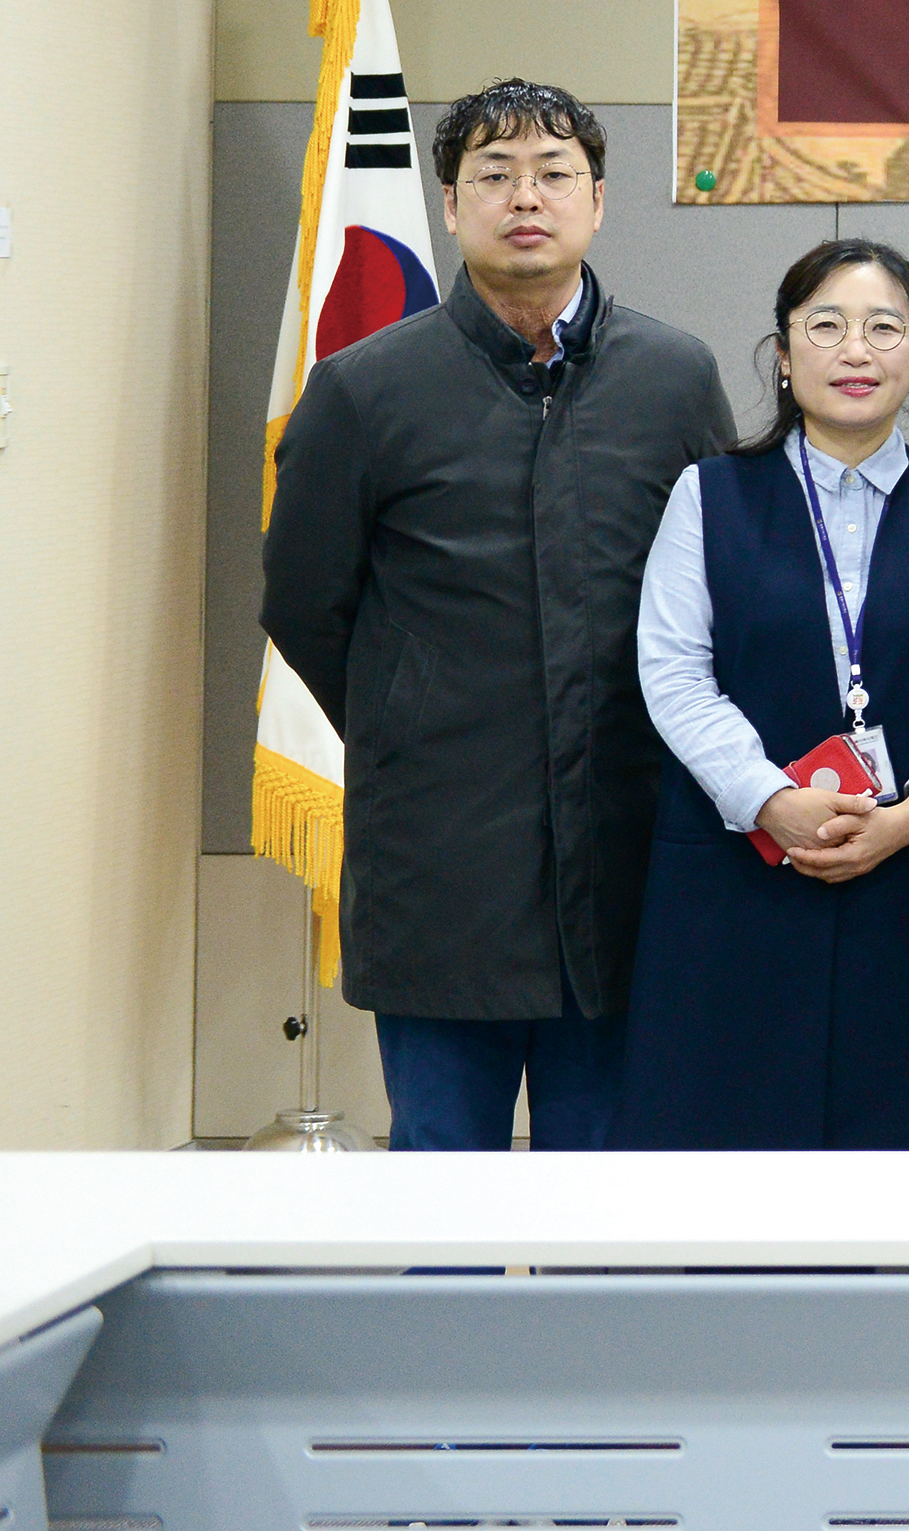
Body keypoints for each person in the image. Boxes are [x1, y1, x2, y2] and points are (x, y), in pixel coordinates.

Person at [260, 81, 733, 1150]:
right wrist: (414, 711)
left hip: (627, 858)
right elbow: (303, 602)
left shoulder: (673, 376)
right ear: (450, 199)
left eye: (555, 174)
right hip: (441, 859)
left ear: (600, 201)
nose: (527, 197)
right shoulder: (364, 387)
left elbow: (721, 590)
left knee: (609, 1218)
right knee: (444, 1200)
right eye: (495, 174)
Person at [620, 240, 909, 1147]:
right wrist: (770, 801)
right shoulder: (709, 495)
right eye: (825, 326)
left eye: (884, 328)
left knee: (905, 1164)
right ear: (784, 355)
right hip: (734, 879)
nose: (855, 351)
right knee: (723, 1157)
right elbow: (672, 670)